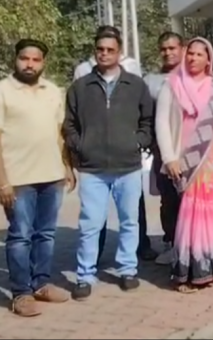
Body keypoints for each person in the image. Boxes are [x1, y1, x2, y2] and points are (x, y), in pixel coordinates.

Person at [0, 39, 73, 317]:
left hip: (52, 177)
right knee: (20, 236)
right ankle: (21, 293)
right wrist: (2, 181)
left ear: (43, 63)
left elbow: (59, 135)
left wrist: (67, 167)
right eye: (24, 58)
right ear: (16, 59)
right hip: (18, 181)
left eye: (35, 59)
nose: (29, 64)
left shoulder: (53, 91)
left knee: (45, 234)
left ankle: (41, 284)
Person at [64, 27, 154, 300]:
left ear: (119, 52)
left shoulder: (135, 85)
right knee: (90, 224)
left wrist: (137, 141)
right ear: (95, 52)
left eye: (110, 50)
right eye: (100, 49)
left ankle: (128, 270)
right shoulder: (80, 87)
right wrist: (81, 145)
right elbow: (69, 124)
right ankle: (84, 275)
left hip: (128, 167)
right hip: (93, 169)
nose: (104, 54)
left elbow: (147, 120)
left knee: (129, 222)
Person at [155, 37, 213, 293]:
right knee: (189, 214)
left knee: (212, 214)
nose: (193, 58)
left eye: (199, 54)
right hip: (187, 160)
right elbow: (162, 123)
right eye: (190, 53)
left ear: (208, 60)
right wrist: (169, 157)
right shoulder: (172, 85)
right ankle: (188, 271)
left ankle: (211, 267)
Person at [143, 31, 185, 266]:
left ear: (182, 49)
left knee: (193, 200)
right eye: (164, 49)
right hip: (164, 153)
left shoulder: (197, 77)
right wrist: (151, 143)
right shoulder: (151, 82)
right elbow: (145, 116)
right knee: (169, 199)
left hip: (193, 152)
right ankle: (171, 242)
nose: (168, 52)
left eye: (172, 48)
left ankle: (196, 244)